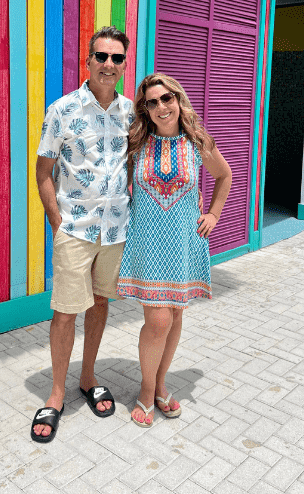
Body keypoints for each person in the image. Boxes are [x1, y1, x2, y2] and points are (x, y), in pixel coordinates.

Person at [31, 26, 134, 443]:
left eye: (117, 58)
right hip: (75, 228)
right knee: (65, 311)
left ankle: (88, 377)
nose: (109, 64)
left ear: (124, 65)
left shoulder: (131, 111)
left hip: (115, 230)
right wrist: (58, 223)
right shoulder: (62, 109)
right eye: (101, 57)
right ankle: (56, 393)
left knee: (100, 303)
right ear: (87, 61)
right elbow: (43, 172)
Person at [116, 73, 232, 427]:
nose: (161, 107)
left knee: (176, 315)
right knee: (159, 319)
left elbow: (224, 175)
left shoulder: (198, 142)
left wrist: (213, 213)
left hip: (184, 242)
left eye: (167, 98)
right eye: (152, 102)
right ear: (145, 109)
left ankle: (161, 383)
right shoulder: (135, 143)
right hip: (148, 242)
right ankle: (146, 391)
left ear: (178, 100)